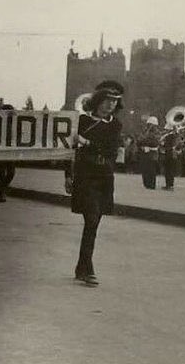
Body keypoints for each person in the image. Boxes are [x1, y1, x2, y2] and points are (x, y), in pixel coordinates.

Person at [66, 80, 124, 287]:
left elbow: (110, 149)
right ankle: (87, 269)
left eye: (115, 102)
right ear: (98, 101)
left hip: (105, 177)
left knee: (94, 223)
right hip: (85, 176)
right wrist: (68, 175)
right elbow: (68, 149)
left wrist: (87, 142)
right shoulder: (81, 121)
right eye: (107, 101)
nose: (111, 105)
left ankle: (82, 267)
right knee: (91, 220)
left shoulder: (115, 125)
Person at [0, 104, 17, 202]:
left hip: (11, 151)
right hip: (1, 151)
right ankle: (1, 192)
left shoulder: (15, 124)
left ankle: (1, 188)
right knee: (1, 172)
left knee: (11, 173)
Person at [137, 116, 160, 189]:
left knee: (151, 170)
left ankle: (151, 184)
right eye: (149, 124)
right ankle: (146, 184)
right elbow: (139, 141)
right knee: (144, 169)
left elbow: (155, 142)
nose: (149, 126)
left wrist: (145, 142)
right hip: (144, 152)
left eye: (151, 124)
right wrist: (143, 142)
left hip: (152, 153)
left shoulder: (157, 132)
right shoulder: (145, 131)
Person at [160, 123, 181, 190]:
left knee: (169, 170)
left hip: (171, 154)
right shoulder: (172, 136)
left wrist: (163, 144)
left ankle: (170, 185)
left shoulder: (172, 136)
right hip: (169, 153)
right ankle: (168, 184)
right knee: (168, 170)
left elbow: (173, 145)